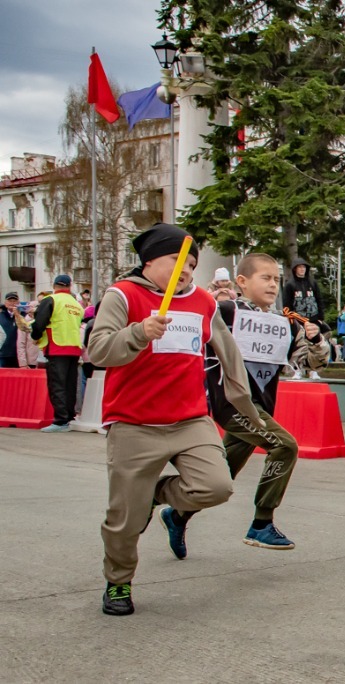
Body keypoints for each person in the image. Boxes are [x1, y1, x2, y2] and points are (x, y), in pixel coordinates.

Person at [88, 223, 266, 616]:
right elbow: (98, 351)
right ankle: (118, 582)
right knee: (124, 520)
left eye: (191, 264)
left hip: (190, 420)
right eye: (176, 260)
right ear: (149, 261)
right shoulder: (123, 294)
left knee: (216, 487)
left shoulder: (203, 301)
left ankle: (156, 494)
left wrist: (248, 408)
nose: (185, 269)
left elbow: (229, 353)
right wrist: (139, 332)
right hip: (134, 423)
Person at [188, 252, 303, 555]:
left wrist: (316, 341)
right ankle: (262, 523)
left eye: (276, 279)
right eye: (265, 278)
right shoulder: (226, 311)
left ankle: (176, 512)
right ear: (241, 281)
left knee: (221, 474)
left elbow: (304, 360)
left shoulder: (282, 322)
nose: (273, 284)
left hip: (261, 404)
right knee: (285, 446)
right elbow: (195, 325)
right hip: (233, 404)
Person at [31, 274, 86, 432]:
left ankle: (60, 421)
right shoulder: (76, 305)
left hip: (57, 346)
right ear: (69, 286)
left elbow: (39, 323)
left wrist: (35, 336)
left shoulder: (51, 300)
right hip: (74, 348)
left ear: (55, 286)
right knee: (70, 385)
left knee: (57, 384)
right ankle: (69, 417)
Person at [282, 257, 324, 324]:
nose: (302, 269)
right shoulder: (289, 285)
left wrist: (321, 318)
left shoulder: (313, 283)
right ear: (295, 269)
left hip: (314, 319)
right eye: (300, 267)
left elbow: (319, 299)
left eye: (304, 267)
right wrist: (290, 320)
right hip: (298, 320)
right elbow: (287, 304)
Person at [2, 292, 21, 368]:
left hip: (18, 354)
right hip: (3, 354)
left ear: (18, 303)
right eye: (10, 301)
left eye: (14, 301)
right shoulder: (1, 316)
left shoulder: (23, 315)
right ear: (5, 303)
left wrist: (17, 315)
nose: (12, 303)